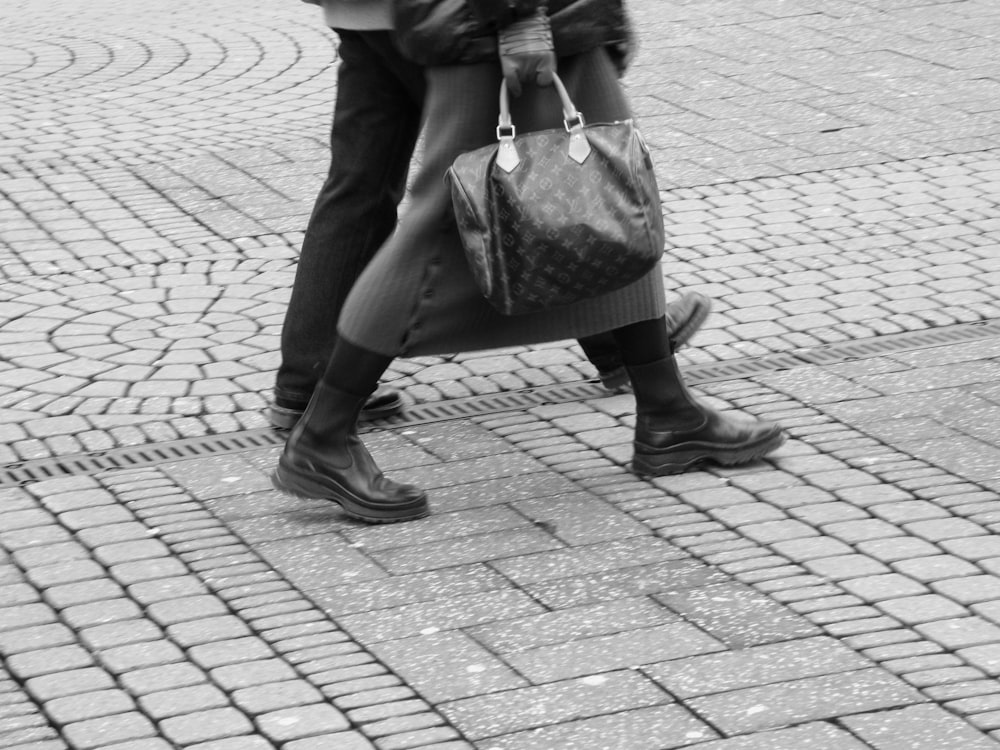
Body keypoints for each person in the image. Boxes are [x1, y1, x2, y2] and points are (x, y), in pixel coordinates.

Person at [271, 0, 785, 523]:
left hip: (493, 17)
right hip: (500, 22)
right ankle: (323, 435)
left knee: (600, 203)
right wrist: (517, 16)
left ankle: (668, 409)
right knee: (465, 222)